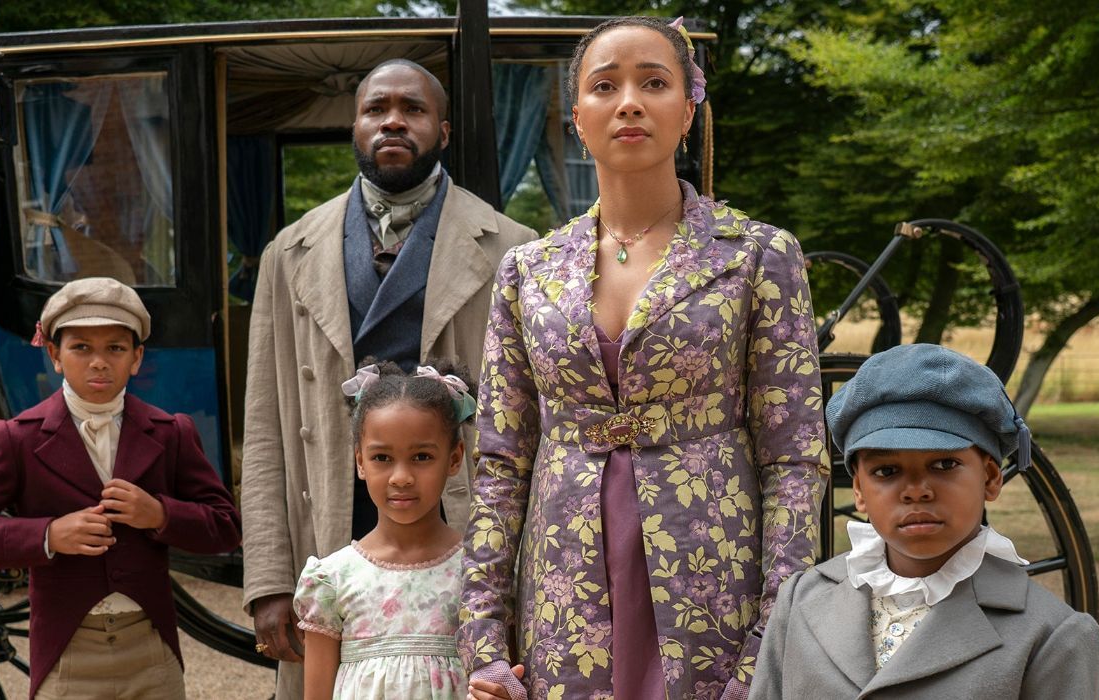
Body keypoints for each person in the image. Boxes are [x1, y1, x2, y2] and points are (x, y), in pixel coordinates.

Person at [458, 16, 828, 700]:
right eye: (606, 85)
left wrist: (774, 633)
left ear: (688, 108)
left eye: (653, 82)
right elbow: (501, 462)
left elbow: (796, 459)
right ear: (577, 116)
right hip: (567, 580)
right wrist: (483, 639)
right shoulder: (527, 271)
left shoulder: (757, 256)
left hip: (712, 571)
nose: (628, 101)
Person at [240, 59, 538, 699]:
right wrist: (267, 580)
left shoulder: (512, 247)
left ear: (444, 129)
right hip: (331, 523)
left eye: (414, 108)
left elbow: (534, 428)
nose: (393, 120)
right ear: (355, 126)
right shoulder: (288, 252)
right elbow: (263, 428)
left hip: (461, 538)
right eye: (377, 109)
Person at [0, 278, 242, 700]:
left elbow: (225, 527)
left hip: (152, 654)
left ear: (137, 358)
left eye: (115, 348)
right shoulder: (15, 438)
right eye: (81, 347)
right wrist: (47, 535)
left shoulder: (172, 432)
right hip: (67, 657)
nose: (99, 362)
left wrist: (161, 514)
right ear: (55, 355)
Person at [749, 344, 1099, 699]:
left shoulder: (1051, 637)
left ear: (991, 477)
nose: (916, 491)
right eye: (887, 471)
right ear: (859, 489)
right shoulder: (801, 601)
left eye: (944, 465)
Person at [292, 360, 480, 699]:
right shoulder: (330, 580)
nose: (401, 477)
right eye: (382, 458)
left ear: (454, 459)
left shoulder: (478, 573)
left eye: (422, 457)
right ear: (360, 461)